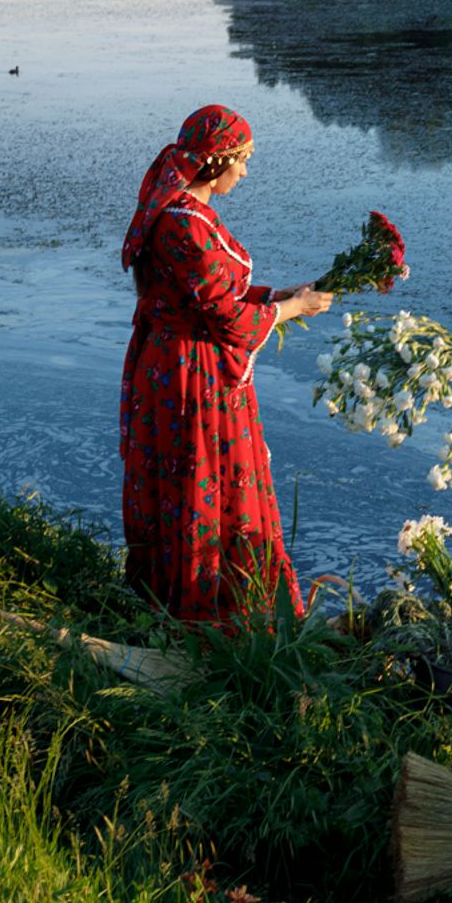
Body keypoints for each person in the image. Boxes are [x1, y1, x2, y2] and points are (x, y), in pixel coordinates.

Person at [119, 105, 333, 621]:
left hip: (171, 363)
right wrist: (292, 308)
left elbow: (208, 292)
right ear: (216, 162)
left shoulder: (176, 210)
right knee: (205, 476)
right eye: (241, 160)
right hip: (191, 376)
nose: (245, 172)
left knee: (181, 476)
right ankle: (209, 608)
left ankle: (170, 595)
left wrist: (275, 294)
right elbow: (228, 320)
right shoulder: (183, 225)